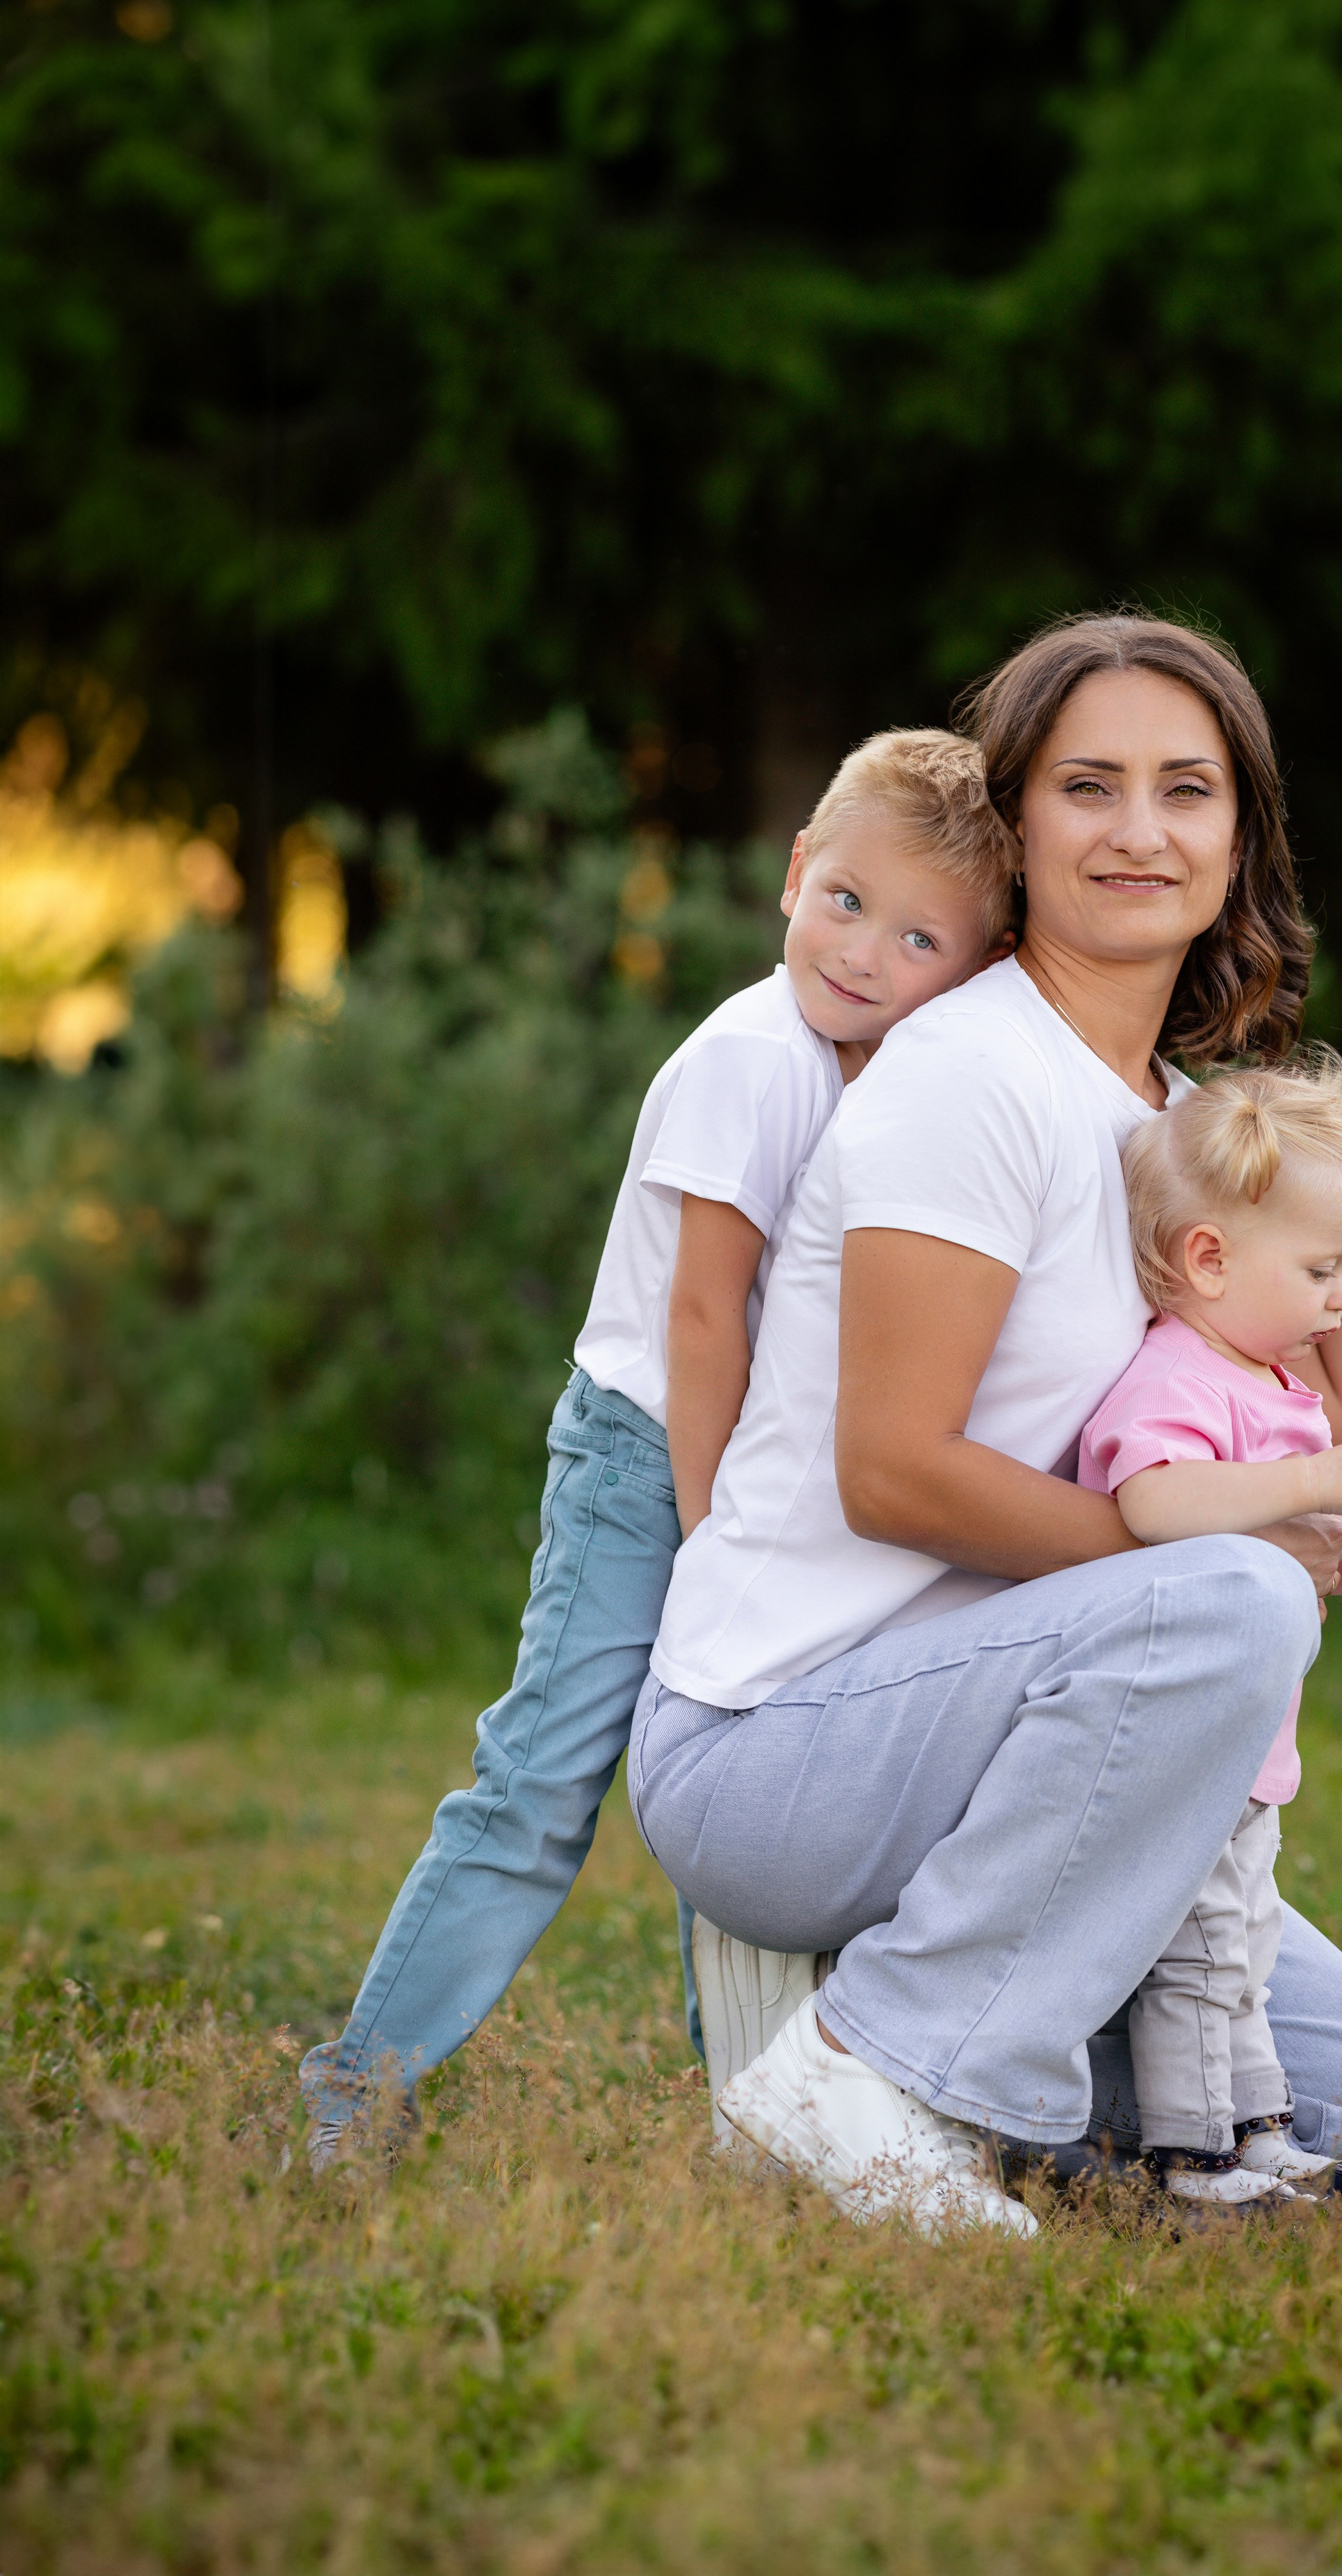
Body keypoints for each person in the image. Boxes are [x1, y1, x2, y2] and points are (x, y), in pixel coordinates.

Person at [630, 611, 1342, 2238]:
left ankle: (895, 2025)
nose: (1138, 831)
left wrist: (1310, 1171)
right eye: (1088, 786)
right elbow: (890, 1473)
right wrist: (1197, 1579)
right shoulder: (970, 1076)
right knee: (1229, 1596)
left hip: (1015, 1737)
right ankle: (862, 2069)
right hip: (782, 1737)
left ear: (1240, 840)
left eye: (1186, 791)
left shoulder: (1179, 1133)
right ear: (1016, 826)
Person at [300, 730, 1016, 2162]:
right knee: (539, 1784)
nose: (864, 954)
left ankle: (749, 2095)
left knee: (732, 1777)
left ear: (976, 967)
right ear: (794, 873)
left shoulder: (884, 1077)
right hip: (651, 1460)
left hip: (740, 1465)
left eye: (919, 938)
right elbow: (700, 1317)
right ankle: (356, 2089)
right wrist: (712, 1538)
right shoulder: (755, 1059)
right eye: (847, 902)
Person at [1076, 1056, 1342, 2206]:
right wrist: (1317, 1478)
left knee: (1244, 1946)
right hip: (1178, 1744)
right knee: (1198, 1957)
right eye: (1323, 1271)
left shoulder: (1276, 1392)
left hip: (1246, 1754)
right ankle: (1193, 2154)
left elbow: (1301, 1548)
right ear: (1210, 1259)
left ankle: (1258, 2130)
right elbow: (1155, 1503)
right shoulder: (1178, 1378)